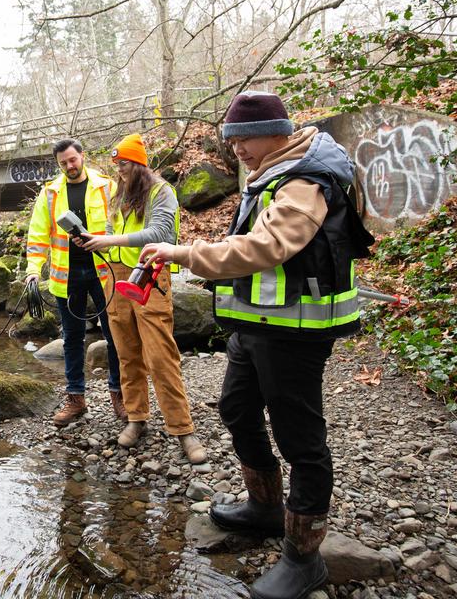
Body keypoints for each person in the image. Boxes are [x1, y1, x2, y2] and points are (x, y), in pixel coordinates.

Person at [139, 91, 373, 599]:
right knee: (237, 409)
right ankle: (264, 507)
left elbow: (266, 247)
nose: (236, 151)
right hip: (256, 324)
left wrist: (184, 252)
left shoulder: (306, 179)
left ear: (278, 132)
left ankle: (303, 558)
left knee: (300, 440)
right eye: (231, 141)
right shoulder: (274, 167)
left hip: (295, 331)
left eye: (244, 139)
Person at [77, 133, 207, 465]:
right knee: (125, 353)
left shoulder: (162, 192)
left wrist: (109, 241)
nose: (119, 170)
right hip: (116, 278)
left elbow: (160, 234)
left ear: (138, 164)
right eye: (116, 164)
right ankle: (137, 419)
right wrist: (95, 240)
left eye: (124, 164)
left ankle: (183, 429)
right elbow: (111, 230)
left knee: (161, 355)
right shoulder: (119, 194)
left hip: (149, 274)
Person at [25, 138, 125, 426]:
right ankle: (76, 399)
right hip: (65, 276)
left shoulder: (107, 186)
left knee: (114, 334)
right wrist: (33, 269)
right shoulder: (51, 193)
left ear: (82, 155)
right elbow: (38, 235)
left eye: (72, 160)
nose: (69, 166)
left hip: (104, 272)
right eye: (63, 163)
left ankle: (118, 395)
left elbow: (123, 224)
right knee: (71, 339)